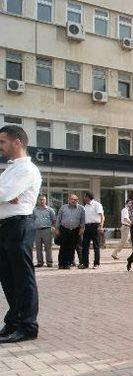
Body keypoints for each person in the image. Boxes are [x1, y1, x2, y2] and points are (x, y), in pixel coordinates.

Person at [0, 125, 41, 343]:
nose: (0, 146)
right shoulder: (10, 169)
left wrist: (8, 195)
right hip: (6, 225)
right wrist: (6, 196)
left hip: (20, 224)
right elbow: (5, 194)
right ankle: (14, 321)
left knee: (23, 278)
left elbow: (5, 192)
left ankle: (28, 326)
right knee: (7, 277)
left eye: (2, 142)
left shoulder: (27, 169)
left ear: (17, 142)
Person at [54, 194, 85, 269]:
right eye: (72, 199)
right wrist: (57, 228)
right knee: (63, 248)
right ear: (68, 200)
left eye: (75, 199)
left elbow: (82, 220)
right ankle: (61, 264)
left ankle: (68, 263)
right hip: (64, 229)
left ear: (77, 200)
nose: (73, 201)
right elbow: (58, 219)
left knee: (71, 248)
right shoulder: (63, 208)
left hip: (75, 230)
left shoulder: (81, 208)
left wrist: (82, 228)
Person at [79, 191, 104, 269]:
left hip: (95, 226)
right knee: (85, 246)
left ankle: (97, 263)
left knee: (96, 246)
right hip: (87, 227)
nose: (84, 198)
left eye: (85, 197)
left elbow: (102, 216)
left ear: (88, 197)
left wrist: (101, 226)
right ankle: (85, 264)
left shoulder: (97, 204)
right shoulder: (85, 206)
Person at [32, 195, 56, 268]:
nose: (42, 201)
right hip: (37, 231)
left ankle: (49, 262)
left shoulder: (50, 210)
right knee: (38, 247)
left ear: (46, 200)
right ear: (37, 200)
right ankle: (40, 262)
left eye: (43, 200)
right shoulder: (34, 210)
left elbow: (54, 220)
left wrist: (53, 227)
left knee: (48, 247)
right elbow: (32, 220)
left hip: (47, 230)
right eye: (40, 200)